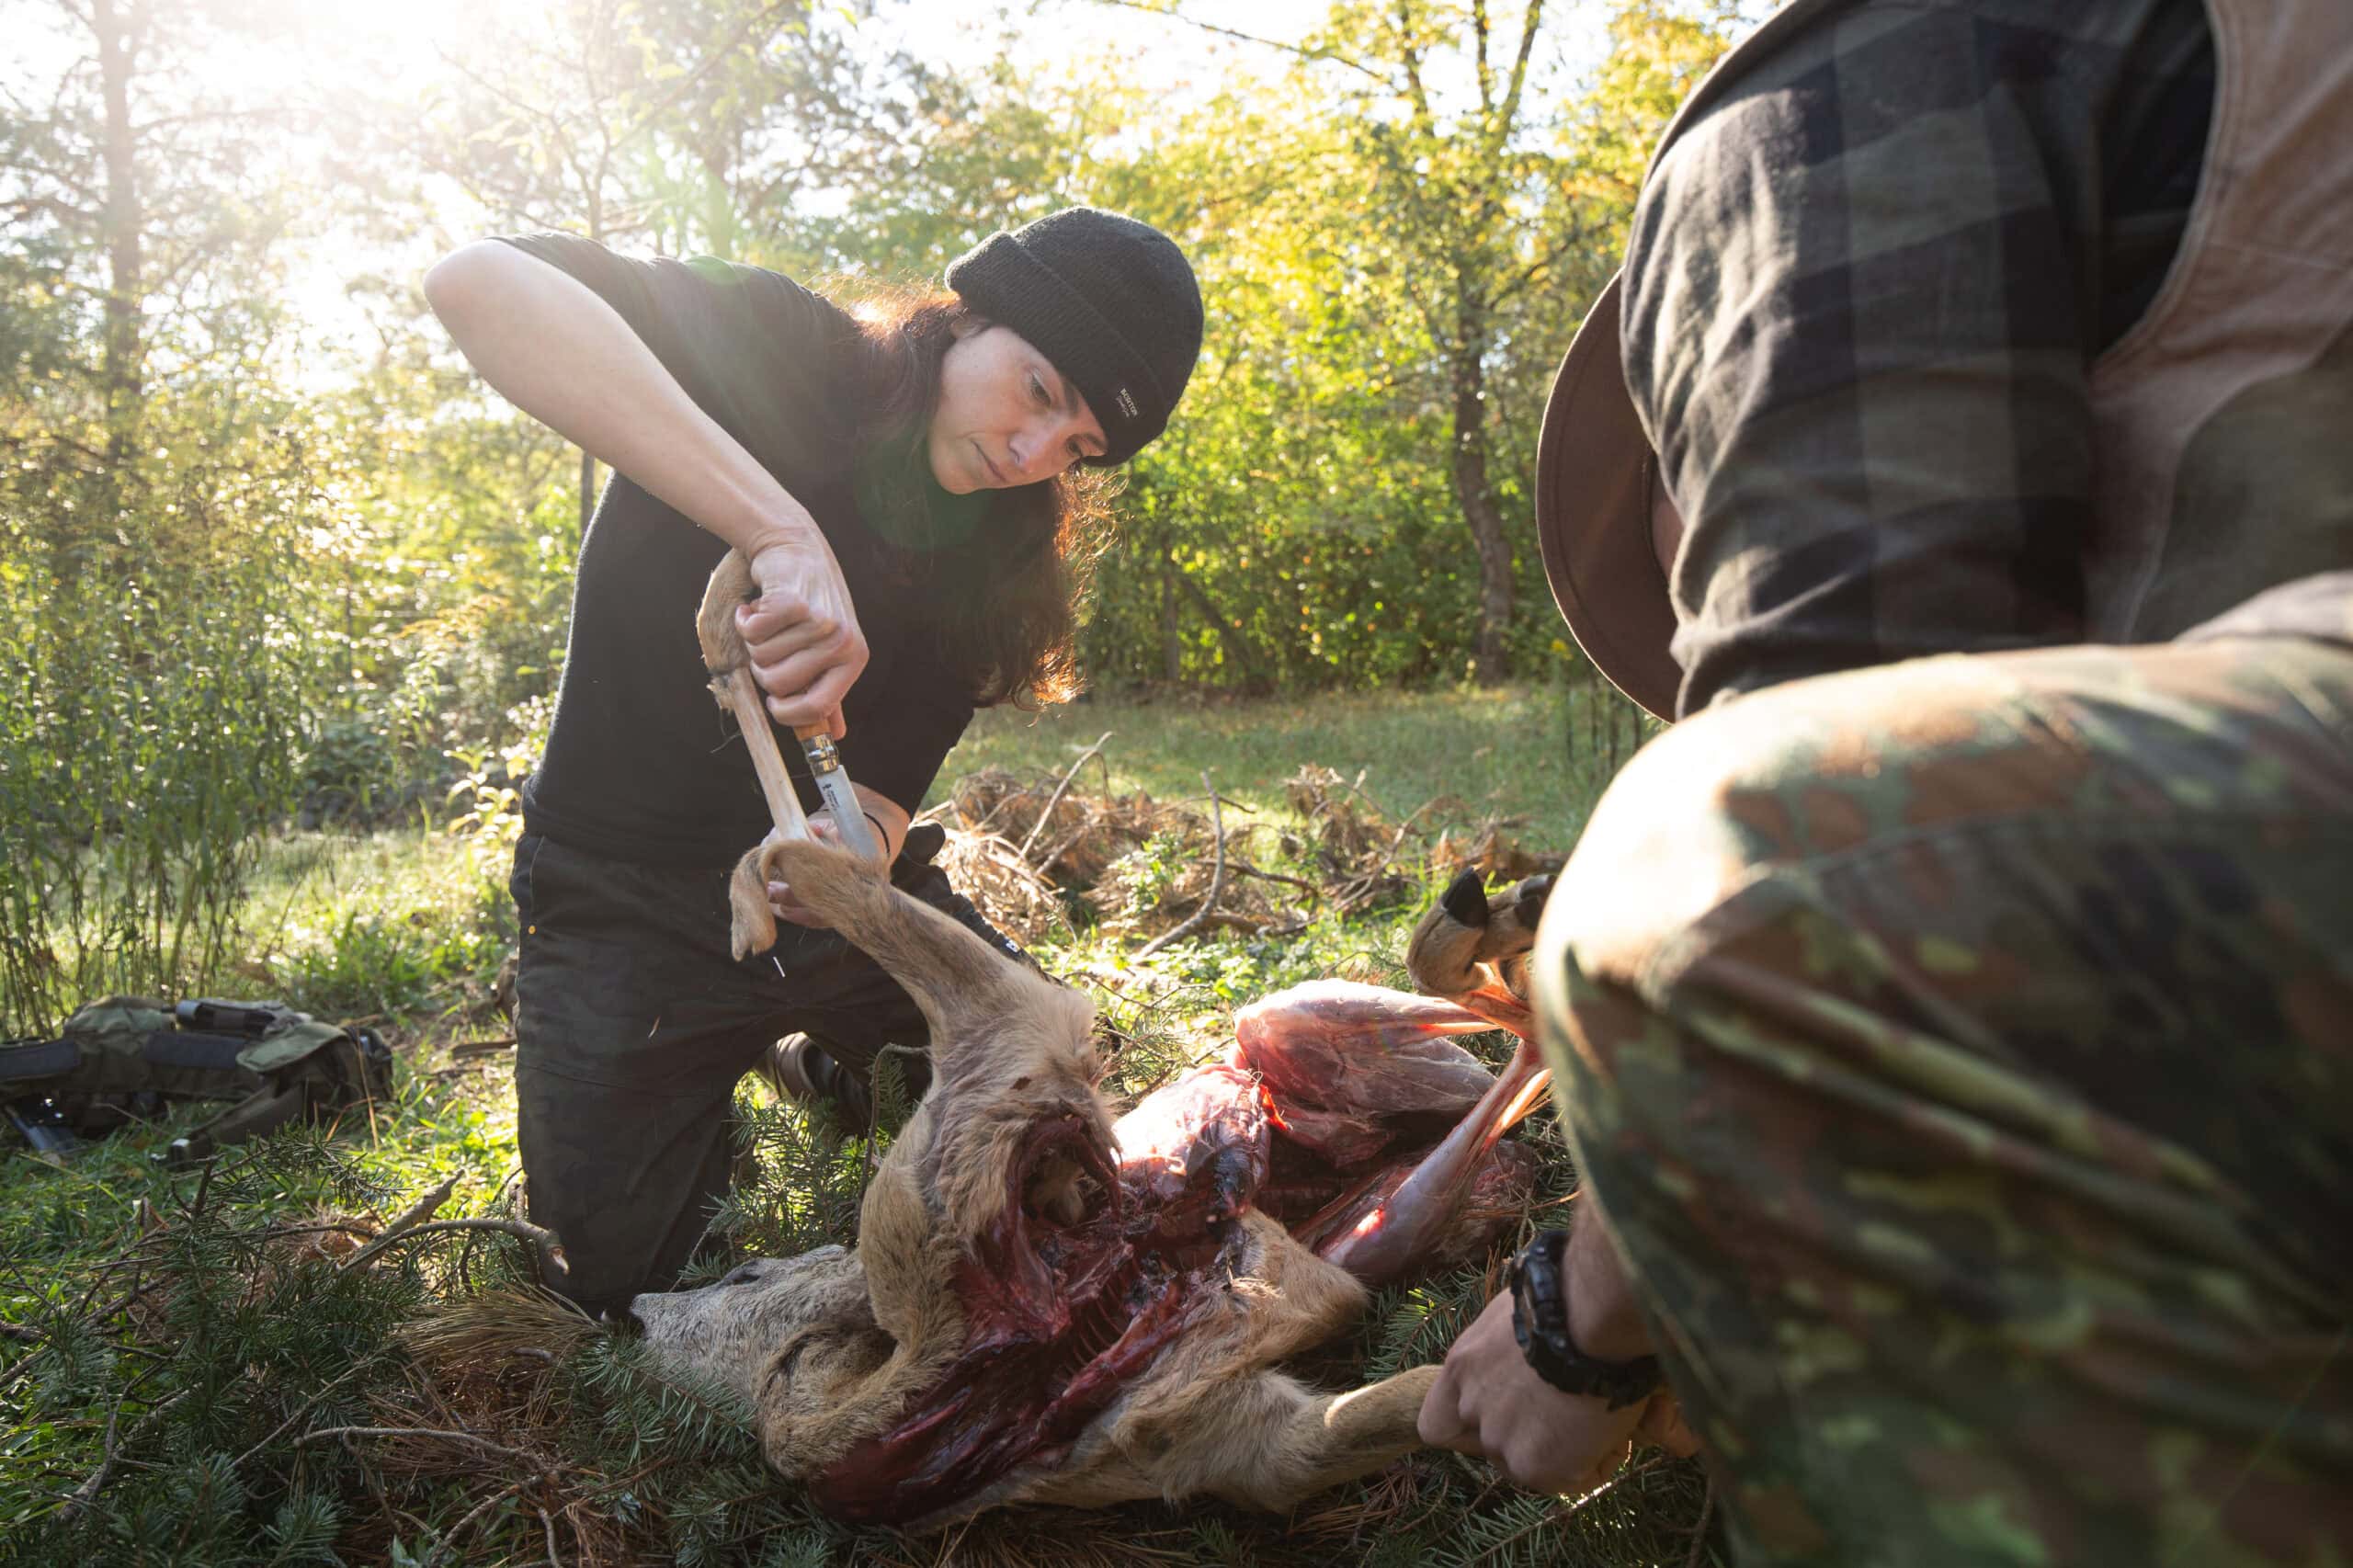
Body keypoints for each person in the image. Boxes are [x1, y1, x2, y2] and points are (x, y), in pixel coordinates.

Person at [1419, 0, 2353, 1562]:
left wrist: (1580, 1316)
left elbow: (1807, 805)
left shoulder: (1811, 105)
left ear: (1684, 439)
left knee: (1705, 842)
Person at [425, 208, 1203, 1317]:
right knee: (634, 1295)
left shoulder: (997, 562)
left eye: (1076, 443)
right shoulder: (784, 347)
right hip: (615, 902)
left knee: (1063, 1130)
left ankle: (833, 1067)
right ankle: (770, 1067)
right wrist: (781, 529)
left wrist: (852, 846)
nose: (1032, 456)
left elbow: (883, 801)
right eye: (1037, 390)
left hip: (832, 912)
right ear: (969, 317)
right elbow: (476, 280)